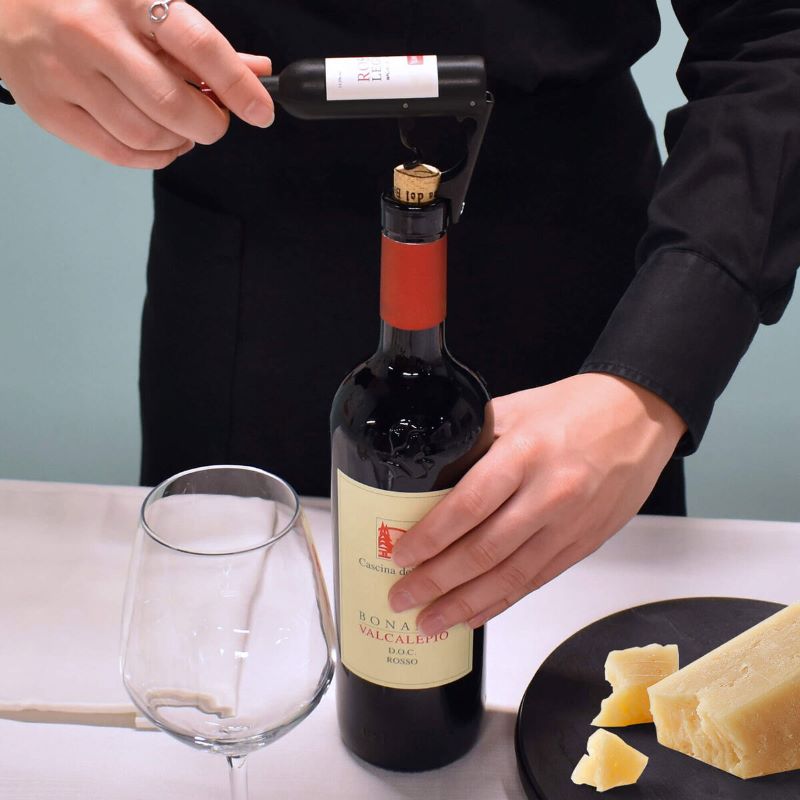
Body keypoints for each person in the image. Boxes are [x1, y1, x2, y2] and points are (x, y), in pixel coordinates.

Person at [1, 1, 798, 637]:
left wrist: (650, 380)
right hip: (248, 298)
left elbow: (776, 31)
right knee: (216, 684)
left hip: (580, 332)